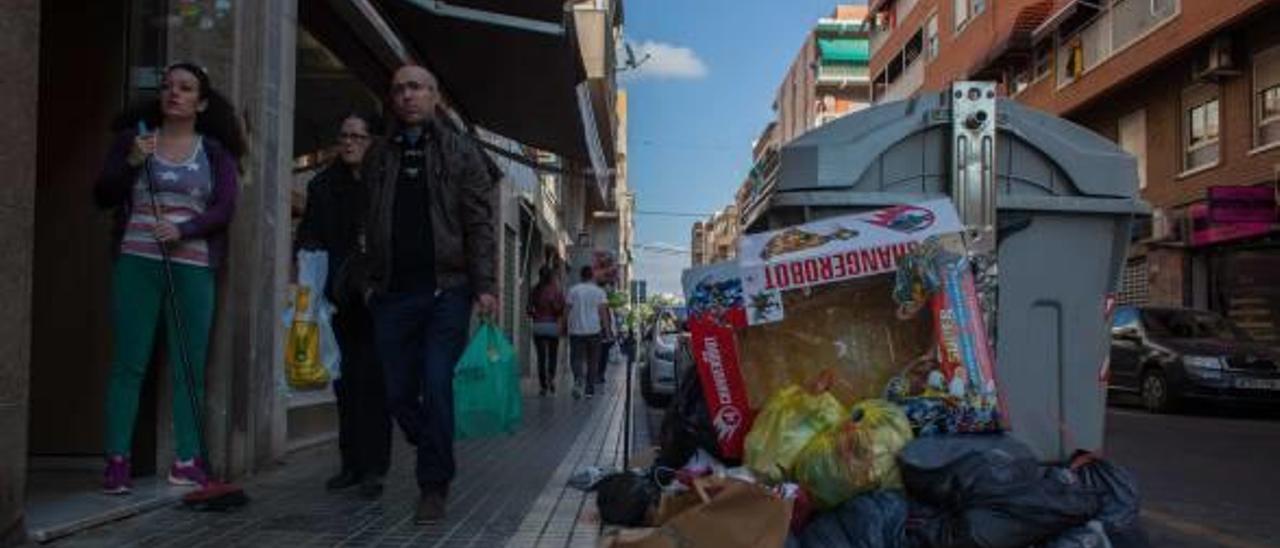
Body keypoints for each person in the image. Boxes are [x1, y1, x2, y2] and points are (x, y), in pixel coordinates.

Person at [93, 62, 245, 494]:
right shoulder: (135, 141)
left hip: (193, 267)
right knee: (128, 362)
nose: (173, 93)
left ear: (201, 102)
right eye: (167, 87)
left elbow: (224, 208)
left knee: (189, 366)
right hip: (137, 263)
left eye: (185, 88)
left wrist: (184, 229)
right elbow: (103, 195)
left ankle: (187, 460)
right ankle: (117, 461)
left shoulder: (214, 152)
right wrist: (131, 162)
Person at [359, 65, 499, 525]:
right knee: (397, 392)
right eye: (398, 89)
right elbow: (369, 218)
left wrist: (485, 287)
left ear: (435, 97)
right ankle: (433, 437)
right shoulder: (379, 154)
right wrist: (366, 277)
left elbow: (479, 223)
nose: (406, 96)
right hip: (391, 292)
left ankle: (433, 486)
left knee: (437, 382)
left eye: (415, 87)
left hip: (447, 291)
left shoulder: (462, 152)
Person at [296, 112, 391, 499]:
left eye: (358, 136)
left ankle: (374, 467)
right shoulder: (322, 186)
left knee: (375, 383)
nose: (349, 142)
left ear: (372, 143)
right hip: (337, 298)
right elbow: (309, 238)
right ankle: (350, 464)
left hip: (379, 298)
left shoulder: (385, 185)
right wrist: (307, 292)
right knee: (344, 382)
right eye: (344, 135)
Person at [566, 266, 611, 400]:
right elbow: (603, 314)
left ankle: (579, 378)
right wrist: (607, 332)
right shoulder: (599, 292)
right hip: (594, 331)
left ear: (581, 276)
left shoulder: (573, 290)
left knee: (576, 358)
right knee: (593, 361)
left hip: (576, 331)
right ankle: (589, 390)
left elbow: (566, 310)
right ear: (592, 276)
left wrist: (563, 326)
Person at [528, 265, 565, 396]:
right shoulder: (556, 290)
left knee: (541, 357)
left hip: (538, 326)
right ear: (551, 277)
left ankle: (543, 386)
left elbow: (528, 310)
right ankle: (551, 378)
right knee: (552, 355)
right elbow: (560, 309)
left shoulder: (534, 290)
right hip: (552, 326)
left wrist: (536, 315)